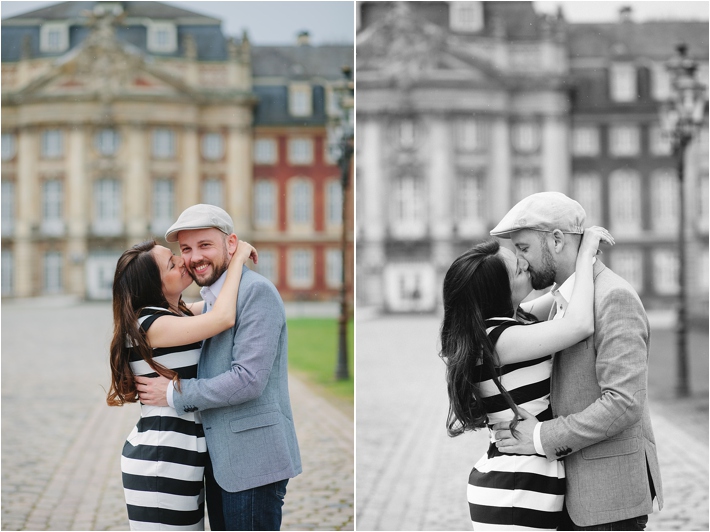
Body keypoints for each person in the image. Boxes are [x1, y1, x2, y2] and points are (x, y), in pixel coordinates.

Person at [490, 192, 663, 530]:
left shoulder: (614, 297)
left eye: (523, 248)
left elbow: (624, 403)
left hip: (609, 498)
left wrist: (540, 436)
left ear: (556, 240)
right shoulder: (562, 297)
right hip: (570, 494)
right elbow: (510, 316)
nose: (521, 261)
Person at [134, 204, 302, 531]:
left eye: (205, 245)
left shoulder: (256, 292)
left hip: (253, 460)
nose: (194, 257)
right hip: (220, 461)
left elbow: (248, 380)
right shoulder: (214, 299)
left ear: (231, 243)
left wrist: (173, 393)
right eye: (186, 249)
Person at [441, 222, 613, 530]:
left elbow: (566, 295)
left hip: (522, 480)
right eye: (518, 269)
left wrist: (567, 253)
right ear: (499, 293)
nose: (525, 263)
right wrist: (585, 251)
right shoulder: (499, 338)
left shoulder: (509, 323)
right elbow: (578, 324)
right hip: (516, 489)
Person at [107, 237, 258, 530]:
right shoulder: (149, 323)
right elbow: (223, 315)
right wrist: (237, 258)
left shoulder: (178, 313)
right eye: (172, 264)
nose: (183, 261)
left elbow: (222, 301)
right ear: (154, 284)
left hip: (184, 454)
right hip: (163, 456)